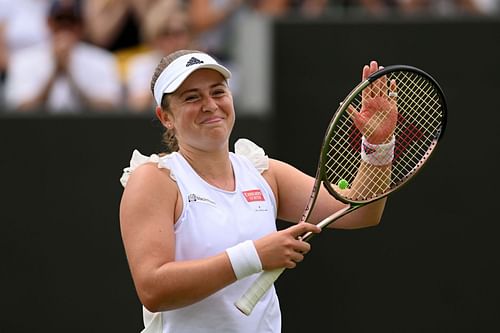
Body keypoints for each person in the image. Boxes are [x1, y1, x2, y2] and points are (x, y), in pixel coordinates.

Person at [119, 49, 394, 332]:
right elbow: (153, 289)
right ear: (166, 117)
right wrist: (254, 256)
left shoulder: (263, 172)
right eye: (192, 97)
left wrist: (378, 144)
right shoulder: (155, 179)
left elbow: (361, 211)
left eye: (218, 92)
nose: (210, 105)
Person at [4, 0, 122, 113]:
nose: (65, 26)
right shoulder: (24, 60)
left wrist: (71, 75)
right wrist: (55, 72)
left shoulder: (102, 60)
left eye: (71, 21)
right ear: (48, 23)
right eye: (59, 20)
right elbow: (20, 109)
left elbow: (109, 107)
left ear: (81, 25)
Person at [126, 0, 193, 112]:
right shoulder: (142, 64)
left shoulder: (202, 60)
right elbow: (138, 107)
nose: (172, 40)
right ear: (154, 37)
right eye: (165, 34)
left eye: (178, 33)